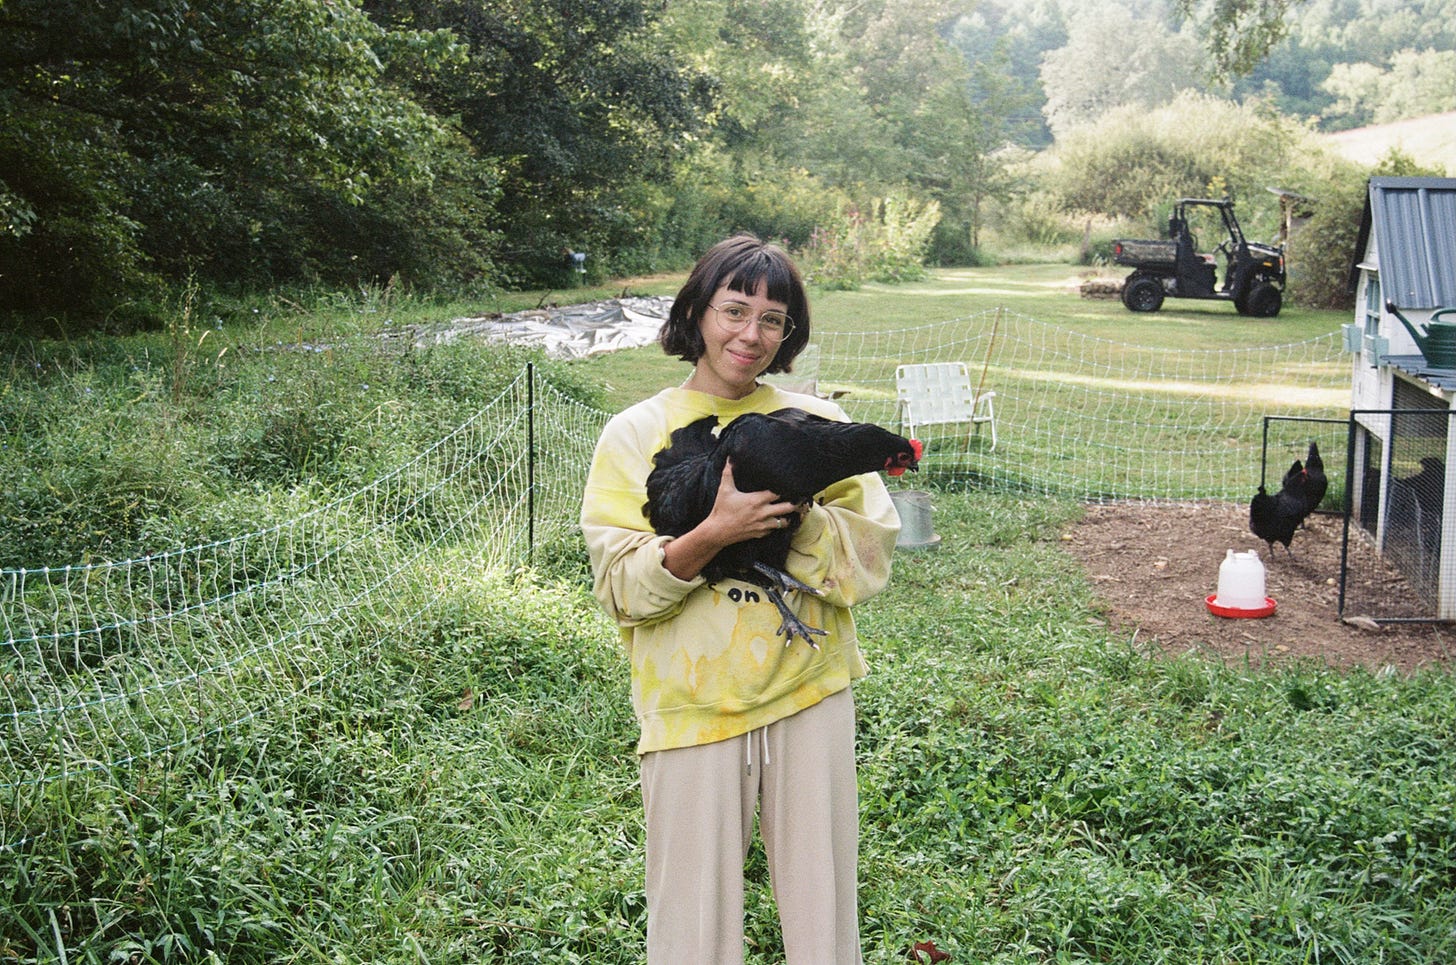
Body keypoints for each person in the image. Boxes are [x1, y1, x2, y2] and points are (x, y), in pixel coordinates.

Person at [580, 234, 901, 964]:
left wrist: (794, 513)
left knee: (825, 923)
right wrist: (714, 531)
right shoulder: (632, 433)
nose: (749, 334)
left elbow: (869, 558)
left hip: (808, 690)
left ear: (789, 333)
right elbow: (623, 589)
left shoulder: (813, 424)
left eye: (772, 318)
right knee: (692, 929)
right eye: (734, 310)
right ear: (697, 310)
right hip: (689, 706)